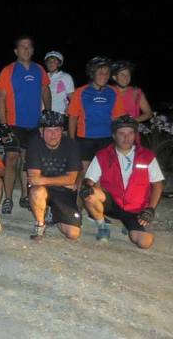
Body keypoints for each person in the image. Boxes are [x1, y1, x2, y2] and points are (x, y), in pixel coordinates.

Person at [81, 115, 163, 249]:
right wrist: (86, 187)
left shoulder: (147, 156)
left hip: (136, 208)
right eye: (122, 134)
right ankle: (102, 225)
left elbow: (157, 184)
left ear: (135, 135)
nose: (126, 138)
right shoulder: (103, 155)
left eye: (130, 133)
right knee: (90, 194)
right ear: (114, 135)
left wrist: (150, 208)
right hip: (113, 203)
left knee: (144, 243)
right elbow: (89, 180)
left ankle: (129, 225)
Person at [0, 35, 51, 214]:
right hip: (13, 123)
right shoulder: (8, 70)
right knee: (11, 160)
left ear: (33, 50)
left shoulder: (39, 70)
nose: (26, 50)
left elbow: (45, 91)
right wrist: (3, 125)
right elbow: (2, 99)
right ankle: (7, 198)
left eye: (29, 47)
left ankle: (25, 196)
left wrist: (47, 115)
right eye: (22, 47)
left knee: (27, 162)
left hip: (34, 124)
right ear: (16, 51)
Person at [68, 56, 125, 189]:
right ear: (92, 74)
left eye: (107, 73)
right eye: (100, 73)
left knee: (103, 176)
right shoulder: (81, 92)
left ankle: (98, 208)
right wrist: (71, 140)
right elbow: (72, 117)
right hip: (85, 139)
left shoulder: (113, 92)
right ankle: (77, 208)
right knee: (83, 175)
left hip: (107, 139)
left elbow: (117, 118)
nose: (104, 76)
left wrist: (119, 140)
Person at [26, 111, 82, 241]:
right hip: (46, 189)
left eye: (57, 130)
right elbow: (34, 179)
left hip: (64, 193)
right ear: (41, 131)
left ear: (62, 130)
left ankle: (54, 214)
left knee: (73, 234)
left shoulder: (72, 145)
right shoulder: (34, 144)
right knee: (37, 191)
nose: (53, 135)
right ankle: (40, 224)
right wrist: (64, 181)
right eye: (49, 130)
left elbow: (72, 179)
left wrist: (43, 180)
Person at [43, 51, 74, 115]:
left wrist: (70, 109)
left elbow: (72, 97)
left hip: (60, 114)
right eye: (49, 61)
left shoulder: (65, 77)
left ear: (59, 64)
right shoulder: (42, 77)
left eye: (54, 61)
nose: (51, 63)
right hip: (44, 114)